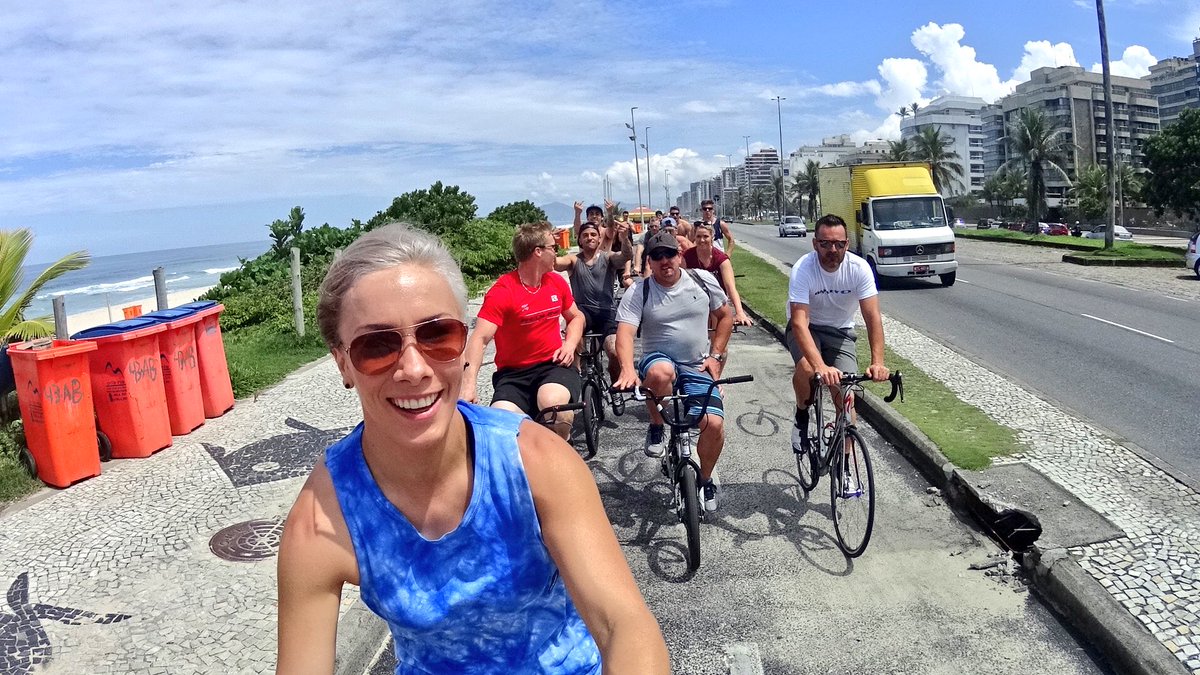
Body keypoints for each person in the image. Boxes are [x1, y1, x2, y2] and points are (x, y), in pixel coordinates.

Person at [276, 223, 669, 674]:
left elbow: (624, 625)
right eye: (377, 345)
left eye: (437, 334)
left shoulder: (537, 464)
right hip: (515, 377)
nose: (412, 368)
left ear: (459, 340)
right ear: (343, 361)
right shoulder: (322, 520)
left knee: (556, 407)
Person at [613, 231, 733, 511]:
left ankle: (705, 478)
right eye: (657, 257)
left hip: (696, 363)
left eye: (670, 254)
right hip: (659, 358)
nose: (665, 261)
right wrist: (628, 369)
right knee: (660, 373)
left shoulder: (702, 281)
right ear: (650, 263)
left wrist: (715, 357)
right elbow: (626, 333)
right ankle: (657, 426)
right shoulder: (640, 290)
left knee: (713, 424)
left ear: (680, 255)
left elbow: (725, 316)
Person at [462, 222, 585, 440]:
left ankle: (562, 449)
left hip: (553, 365)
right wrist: (468, 385)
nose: (556, 254)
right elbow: (479, 339)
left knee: (552, 404)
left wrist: (569, 344)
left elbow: (576, 317)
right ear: (538, 251)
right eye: (553, 248)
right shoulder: (503, 291)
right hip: (513, 375)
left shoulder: (555, 282)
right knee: (502, 422)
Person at [786, 214, 889, 461]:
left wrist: (878, 362)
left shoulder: (859, 268)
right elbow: (799, 322)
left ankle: (844, 464)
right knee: (809, 370)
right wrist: (820, 366)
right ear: (814, 244)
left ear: (847, 244)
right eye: (825, 244)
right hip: (807, 327)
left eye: (839, 244)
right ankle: (802, 415)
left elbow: (873, 317)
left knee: (847, 396)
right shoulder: (804, 268)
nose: (833, 250)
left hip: (840, 331)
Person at [556, 216, 633, 381]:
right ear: (580, 240)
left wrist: (625, 238)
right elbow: (555, 264)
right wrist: (551, 246)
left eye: (593, 234)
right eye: (585, 235)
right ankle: (577, 379)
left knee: (613, 351)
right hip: (582, 313)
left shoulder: (608, 257)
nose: (589, 237)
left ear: (599, 239)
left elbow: (626, 256)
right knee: (573, 344)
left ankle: (616, 387)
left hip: (606, 312)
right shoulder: (573, 260)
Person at [683, 221, 752, 327]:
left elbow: (730, 287)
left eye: (705, 236)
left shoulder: (722, 259)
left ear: (712, 237)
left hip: (717, 301)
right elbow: (680, 283)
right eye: (698, 236)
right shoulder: (686, 256)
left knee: (716, 325)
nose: (701, 240)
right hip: (695, 300)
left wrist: (739, 312)